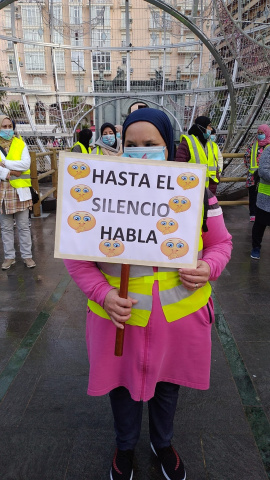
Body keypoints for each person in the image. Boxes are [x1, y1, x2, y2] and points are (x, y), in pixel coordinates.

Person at [64, 108, 232, 480]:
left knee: (167, 387)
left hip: (178, 319)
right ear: (120, 147)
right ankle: (124, 447)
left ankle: (163, 443)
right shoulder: (100, 192)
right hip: (119, 317)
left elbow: (221, 244)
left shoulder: (197, 192)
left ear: (167, 147)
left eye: (150, 145)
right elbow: (76, 260)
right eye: (132, 145)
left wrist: (208, 267)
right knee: (121, 390)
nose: (141, 152)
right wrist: (102, 293)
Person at [0, 115, 36, 269]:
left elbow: (25, 164)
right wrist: (10, 172)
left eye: (10, 126)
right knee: (6, 227)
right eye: (4, 126)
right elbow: (18, 168)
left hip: (20, 190)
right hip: (3, 191)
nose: (8, 129)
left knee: (23, 225)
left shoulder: (20, 143)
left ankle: (27, 256)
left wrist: (5, 163)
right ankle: (9, 257)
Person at [174, 116, 218, 188]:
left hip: (210, 187)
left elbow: (214, 162)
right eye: (209, 126)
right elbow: (179, 165)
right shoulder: (187, 143)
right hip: (192, 187)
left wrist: (216, 178)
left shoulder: (209, 143)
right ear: (202, 127)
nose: (211, 129)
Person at [244, 124, 270, 222]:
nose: (260, 135)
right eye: (258, 133)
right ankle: (253, 214)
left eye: (262, 133)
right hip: (253, 177)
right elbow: (247, 157)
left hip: (265, 177)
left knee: (264, 197)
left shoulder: (269, 146)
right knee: (253, 195)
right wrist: (249, 168)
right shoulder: (253, 145)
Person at [250, 142, 270, 259]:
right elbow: (263, 171)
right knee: (260, 224)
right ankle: (256, 247)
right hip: (266, 197)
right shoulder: (268, 150)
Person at [208, 127, 224, 195]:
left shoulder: (215, 146)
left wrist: (219, 172)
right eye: (213, 134)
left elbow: (219, 159)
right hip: (207, 177)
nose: (213, 136)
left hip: (213, 177)